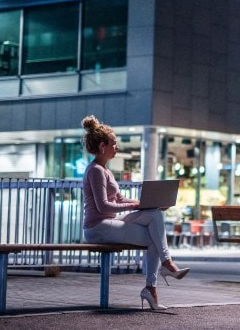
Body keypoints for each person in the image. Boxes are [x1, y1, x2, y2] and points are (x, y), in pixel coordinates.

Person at [81, 115, 189, 310]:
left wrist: (148, 203)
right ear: (102, 146)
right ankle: (157, 279)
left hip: (110, 222)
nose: (117, 147)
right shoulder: (95, 170)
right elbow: (103, 207)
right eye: (114, 143)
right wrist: (136, 206)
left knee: (155, 214)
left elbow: (120, 199)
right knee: (153, 237)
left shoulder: (105, 170)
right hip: (97, 227)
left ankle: (158, 277)